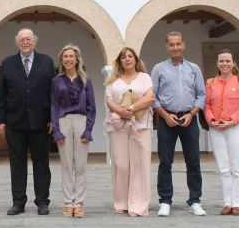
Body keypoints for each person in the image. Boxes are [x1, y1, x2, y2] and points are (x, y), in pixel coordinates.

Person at [0, 28, 56, 216]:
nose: (26, 42)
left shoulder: (47, 61)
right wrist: (0, 120)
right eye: (22, 39)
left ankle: (43, 202)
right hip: (15, 123)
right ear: (17, 42)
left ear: (34, 41)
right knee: (17, 164)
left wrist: (53, 118)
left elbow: (53, 93)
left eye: (29, 39)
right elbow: (1, 94)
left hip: (41, 123)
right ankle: (18, 202)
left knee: (42, 164)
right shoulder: (7, 63)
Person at [151, 31, 207, 217]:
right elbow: (153, 97)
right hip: (167, 120)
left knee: (193, 162)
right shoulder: (159, 69)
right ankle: (165, 201)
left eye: (178, 44)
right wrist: (165, 116)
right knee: (165, 162)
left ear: (184, 45)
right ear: (166, 47)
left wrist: (192, 114)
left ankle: (195, 201)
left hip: (189, 119)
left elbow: (201, 95)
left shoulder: (194, 69)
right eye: (171, 44)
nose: (175, 47)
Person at [104, 47, 154, 217]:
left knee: (139, 165)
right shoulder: (113, 81)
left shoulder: (144, 78)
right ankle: (121, 203)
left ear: (135, 59)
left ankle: (138, 204)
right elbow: (109, 101)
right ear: (120, 61)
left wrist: (131, 109)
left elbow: (150, 98)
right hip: (118, 127)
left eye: (130, 56)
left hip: (140, 127)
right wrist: (120, 112)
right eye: (124, 57)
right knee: (121, 165)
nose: (127, 59)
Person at [204, 49, 239, 216]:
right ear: (217, 64)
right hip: (216, 129)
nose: (224, 64)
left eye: (227, 61)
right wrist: (212, 120)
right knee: (224, 168)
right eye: (221, 61)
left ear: (233, 63)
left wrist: (231, 120)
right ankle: (228, 202)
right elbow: (207, 105)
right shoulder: (211, 82)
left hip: (237, 128)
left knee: (237, 167)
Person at [51, 44, 96, 218]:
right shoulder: (56, 81)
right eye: (65, 56)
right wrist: (56, 131)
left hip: (81, 121)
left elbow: (92, 107)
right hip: (63, 122)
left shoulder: (86, 80)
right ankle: (68, 202)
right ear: (62, 60)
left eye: (71, 56)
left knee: (81, 165)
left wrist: (88, 130)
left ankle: (79, 203)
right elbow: (54, 106)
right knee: (67, 165)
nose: (68, 59)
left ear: (77, 59)